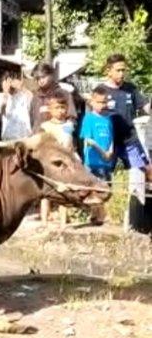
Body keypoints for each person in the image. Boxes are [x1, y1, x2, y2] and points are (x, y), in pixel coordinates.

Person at [95, 53, 152, 183]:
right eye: (118, 70)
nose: (121, 73)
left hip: (130, 140)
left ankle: (144, 201)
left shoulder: (130, 89)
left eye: (123, 70)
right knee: (103, 179)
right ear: (108, 71)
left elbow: (146, 107)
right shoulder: (100, 90)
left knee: (147, 170)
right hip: (108, 141)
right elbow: (93, 117)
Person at [39, 91, 76, 227]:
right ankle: (44, 221)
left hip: (65, 164)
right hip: (50, 165)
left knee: (64, 193)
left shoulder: (69, 126)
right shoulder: (45, 126)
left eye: (63, 108)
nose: (61, 111)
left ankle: (63, 222)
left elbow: (72, 145)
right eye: (57, 108)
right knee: (46, 194)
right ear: (50, 109)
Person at [79, 86, 115, 225]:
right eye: (99, 102)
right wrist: (102, 152)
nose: (102, 105)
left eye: (104, 102)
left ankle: (100, 215)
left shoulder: (108, 119)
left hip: (106, 161)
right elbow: (88, 140)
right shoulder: (89, 118)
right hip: (94, 160)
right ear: (92, 102)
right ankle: (96, 216)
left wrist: (110, 151)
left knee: (106, 188)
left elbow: (112, 138)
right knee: (95, 189)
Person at [29, 63, 76, 132]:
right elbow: (32, 119)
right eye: (38, 78)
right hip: (38, 137)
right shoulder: (35, 97)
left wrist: (65, 133)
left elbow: (72, 118)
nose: (41, 80)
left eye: (43, 77)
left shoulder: (64, 94)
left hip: (57, 137)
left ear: (51, 75)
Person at [0, 71, 32, 141]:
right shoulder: (0, 96)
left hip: (25, 137)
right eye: (6, 81)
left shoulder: (23, 95)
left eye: (11, 81)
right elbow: (1, 111)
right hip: (9, 138)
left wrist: (22, 87)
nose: (9, 84)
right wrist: (6, 92)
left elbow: (32, 99)